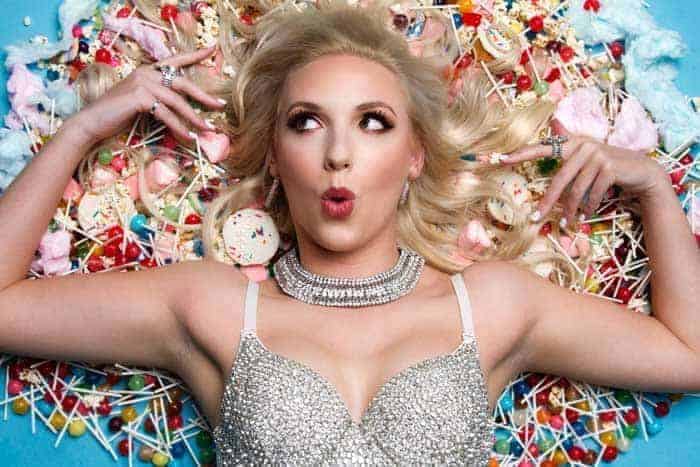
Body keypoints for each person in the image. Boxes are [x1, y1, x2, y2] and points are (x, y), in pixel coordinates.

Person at [0, 0, 698, 464]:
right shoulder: (212, 307)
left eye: (373, 122)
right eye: (307, 122)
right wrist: (84, 128)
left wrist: (654, 191)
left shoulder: (490, 307)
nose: (338, 153)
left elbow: (689, 356)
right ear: (276, 159)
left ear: (414, 156)